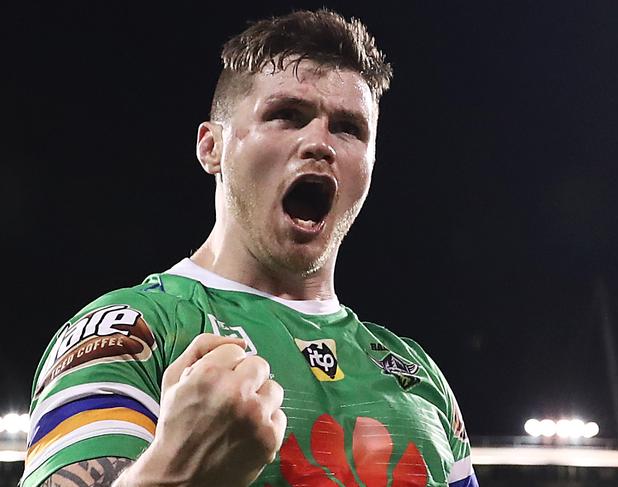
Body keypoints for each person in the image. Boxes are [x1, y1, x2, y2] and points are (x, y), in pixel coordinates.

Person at [22, 9, 478, 487]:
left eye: (349, 128)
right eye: (286, 115)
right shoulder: (131, 330)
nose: (319, 143)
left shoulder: (420, 374)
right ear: (211, 147)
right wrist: (173, 474)